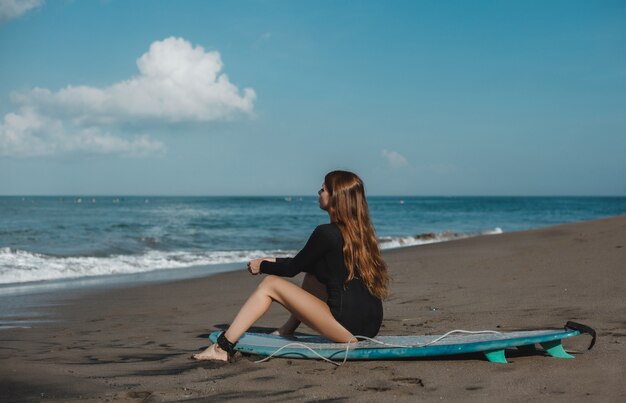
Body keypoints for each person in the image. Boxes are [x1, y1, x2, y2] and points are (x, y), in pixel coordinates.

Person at [192, 170, 389, 362]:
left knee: (270, 285)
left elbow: (292, 268)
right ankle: (286, 331)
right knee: (312, 276)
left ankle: (222, 347)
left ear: (336, 197)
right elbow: (306, 263)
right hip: (371, 326)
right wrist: (271, 260)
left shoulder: (326, 233)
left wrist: (263, 266)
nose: (319, 193)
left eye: (323, 189)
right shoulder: (362, 235)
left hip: (348, 329)